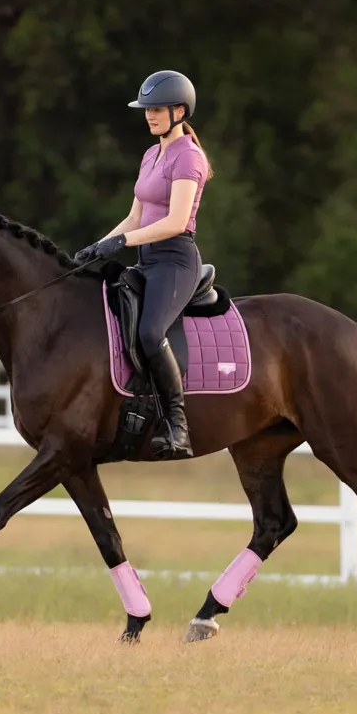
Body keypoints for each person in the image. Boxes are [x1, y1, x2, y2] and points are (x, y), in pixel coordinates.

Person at [74, 70, 213, 460]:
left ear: (180, 111)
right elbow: (135, 218)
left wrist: (122, 242)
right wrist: (100, 245)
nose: (149, 116)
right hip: (147, 258)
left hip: (175, 260)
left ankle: (177, 423)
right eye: (146, 109)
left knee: (151, 332)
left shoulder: (189, 157)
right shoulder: (152, 154)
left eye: (156, 109)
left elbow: (174, 221)